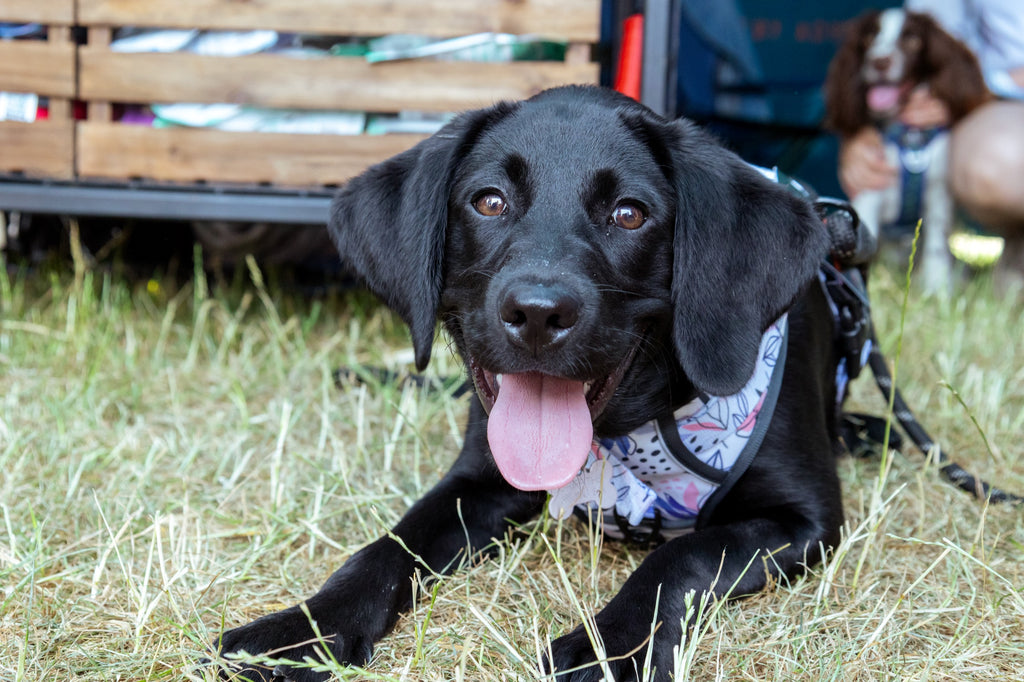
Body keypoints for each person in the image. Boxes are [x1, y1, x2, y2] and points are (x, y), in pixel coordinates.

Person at [838, 0, 1024, 292]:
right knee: (991, 163)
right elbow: (938, 33)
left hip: (996, 92)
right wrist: (856, 131)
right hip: (1005, 108)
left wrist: (980, 88)